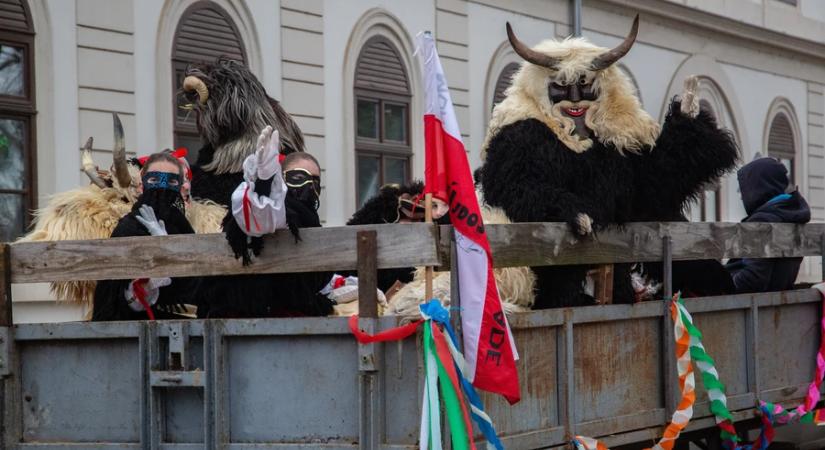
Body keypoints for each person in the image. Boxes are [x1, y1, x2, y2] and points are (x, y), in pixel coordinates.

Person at [196, 126, 333, 318]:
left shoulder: (311, 220)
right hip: (246, 306)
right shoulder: (279, 207)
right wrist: (263, 183)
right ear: (281, 179)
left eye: (315, 181)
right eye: (299, 178)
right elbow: (261, 218)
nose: (308, 186)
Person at [92, 152, 201, 321]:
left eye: (171, 182)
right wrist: (148, 283)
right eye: (154, 180)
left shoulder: (182, 227)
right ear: (142, 180)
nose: (162, 188)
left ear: (180, 184)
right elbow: (110, 296)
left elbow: (195, 284)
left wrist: (168, 249)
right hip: (134, 328)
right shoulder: (128, 228)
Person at [725, 157, 810, 294]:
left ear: (758, 187)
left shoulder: (762, 221)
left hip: (747, 301)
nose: (741, 196)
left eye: (744, 189)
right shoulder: (791, 216)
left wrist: (720, 288)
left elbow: (753, 279)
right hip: (775, 297)